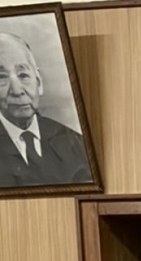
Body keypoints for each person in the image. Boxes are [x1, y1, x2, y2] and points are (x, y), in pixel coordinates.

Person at [0, 33, 91, 188]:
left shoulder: (77, 145)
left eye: (23, 75)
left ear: (39, 82)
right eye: (1, 77)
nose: (17, 91)